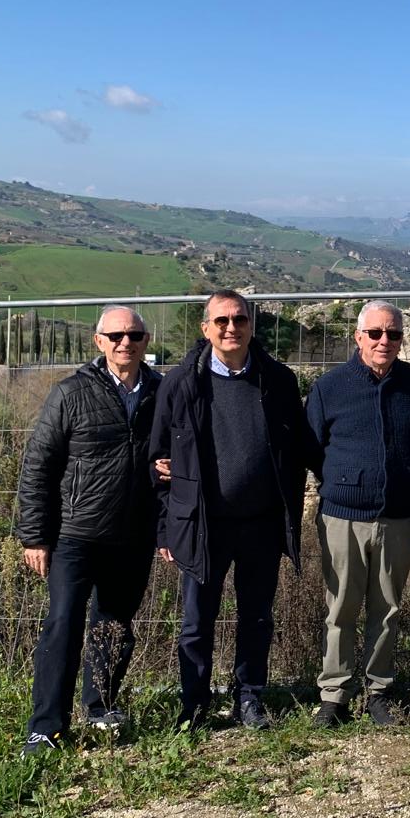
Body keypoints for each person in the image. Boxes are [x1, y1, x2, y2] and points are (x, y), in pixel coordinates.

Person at [150, 289, 313, 731]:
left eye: (239, 319)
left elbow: (296, 446)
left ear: (250, 326)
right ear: (206, 329)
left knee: (257, 616)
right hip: (204, 524)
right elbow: (159, 460)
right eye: (220, 321)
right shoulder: (181, 382)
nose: (230, 328)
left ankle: (249, 697)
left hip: (261, 522)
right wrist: (167, 529)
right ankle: (195, 704)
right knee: (197, 620)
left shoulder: (277, 380)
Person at [16, 306, 161, 755]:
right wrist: (34, 535)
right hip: (73, 535)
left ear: (145, 340)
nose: (125, 343)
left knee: (114, 626)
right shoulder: (71, 393)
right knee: (62, 626)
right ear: (98, 341)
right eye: (114, 335)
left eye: (134, 335)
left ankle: (101, 708)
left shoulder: (162, 392)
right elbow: (38, 466)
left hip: (133, 535)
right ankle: (46, 727)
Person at [305, 301, 410, 728]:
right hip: (342, 516)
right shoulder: (331, 387)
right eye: (375, 333)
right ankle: (334, 694)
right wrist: (347, 480)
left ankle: (379, 691)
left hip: (398, 517)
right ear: (358, 337)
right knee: (340, 607)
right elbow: (312, 447)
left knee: (388, 608)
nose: (384, 341)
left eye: (393, 334)